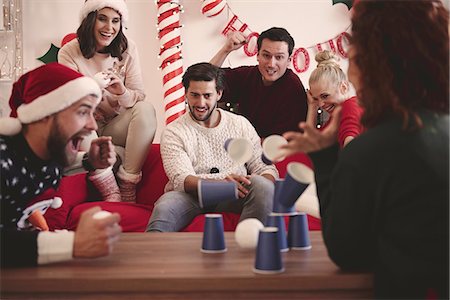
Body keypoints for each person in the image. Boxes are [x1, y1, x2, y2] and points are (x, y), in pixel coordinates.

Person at [280, 1, 449, 298]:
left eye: (355, 55)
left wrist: (324, 159)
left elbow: (347, 252)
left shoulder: (371, 152)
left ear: (373, 66)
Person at [0, 63, 122, 268]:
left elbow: (37, 168)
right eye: (83, 112)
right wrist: (73, 244)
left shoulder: (37, 151)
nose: (92, 125)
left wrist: (89, 162)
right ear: (45, 113)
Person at [146, 63, 278, 232]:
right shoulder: (174, 131)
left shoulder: (240, 124)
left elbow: (265, 168)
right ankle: (153, 257)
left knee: (263, 185)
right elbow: (181, 179)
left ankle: (250, 247)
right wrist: (221, 184)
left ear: (219, 94)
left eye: (207, 95)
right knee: (165, 206)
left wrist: (258, 184)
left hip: (234, 194)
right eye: (194, 95)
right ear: (186, 93)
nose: (201, 103)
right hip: (191, 196)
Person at [58, 0, 157, 202]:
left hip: (115, 127)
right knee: (77, 117)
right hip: (85, 127)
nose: (109, 28)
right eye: (102, 19)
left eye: (115, 21)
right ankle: (110, 191)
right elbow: (69, 102)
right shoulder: (68, 52)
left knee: (146, 109)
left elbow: (138, 97)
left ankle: (127, 186)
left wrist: (122, 92)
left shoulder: (128, 48)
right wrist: (93, 86)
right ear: (90, 19)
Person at [210, 27, 308, 138]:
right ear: (258, 55)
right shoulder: (248, 75)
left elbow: (285, 143)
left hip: (275, 152)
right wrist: (226, 50)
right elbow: (203, 82)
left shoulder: (293, 88)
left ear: (289, 60)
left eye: (279, 57)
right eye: (266, 55)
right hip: (244, 145)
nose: (271, 64)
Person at [306, 50, 363, 147]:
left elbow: (350, 140)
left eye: (325, 96)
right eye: (316, 98)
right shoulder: (336, 116)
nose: (321, 104)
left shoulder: (350, 105)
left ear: (343, 87)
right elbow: (309, 143)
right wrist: (312, 106)